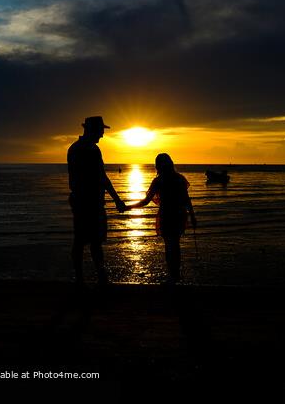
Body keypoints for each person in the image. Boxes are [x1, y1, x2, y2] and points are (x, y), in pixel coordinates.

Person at [67, 116, 126, 286]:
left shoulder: (77, 148)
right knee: (87, 241)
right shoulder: (88, 150)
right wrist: (117, 200)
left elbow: (100, 177)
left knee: (88, 240)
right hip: (87, 202)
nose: (102, 135)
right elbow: (102, 177)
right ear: (91, 130)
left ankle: (87, 278)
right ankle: (94, 277)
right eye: (100, 131)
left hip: (84, 201)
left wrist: (115, 199)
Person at [126, 153, 196, 284]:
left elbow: (146, 201)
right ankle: (176, 275)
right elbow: (187, 199)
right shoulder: (179, 178)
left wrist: (128, 207)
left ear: (158, 165)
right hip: (179, 215)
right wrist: (192, 215)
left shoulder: (158, 181)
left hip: (167, 215)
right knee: (175, 245)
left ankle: (173, 276)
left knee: (170, 246)